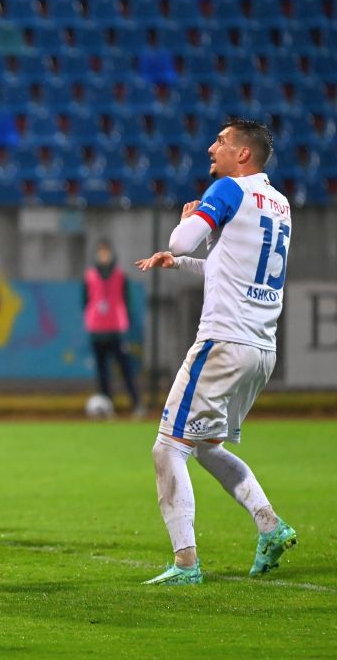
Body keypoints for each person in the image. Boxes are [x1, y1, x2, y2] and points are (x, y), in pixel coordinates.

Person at [134, 118, 296, 585]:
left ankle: (186, 563)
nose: (212, 148)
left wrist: (189, 223)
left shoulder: (229, 190)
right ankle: (270, 525)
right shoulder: (281, 204)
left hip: (223, 341)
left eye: (221, 142)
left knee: (167, 448)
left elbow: (178, 237)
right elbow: (234, 269)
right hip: (261, 348)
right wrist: (184, 260)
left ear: (243, 155)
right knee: (206, 446)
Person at [83, 239, 144, 416]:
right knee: (102, 372)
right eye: (100, 253)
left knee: (125, 368)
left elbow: (127, 302)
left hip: (116, 330)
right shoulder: (90, 277)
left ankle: (137, 404)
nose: (103, 256)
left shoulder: (120, 276)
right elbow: (85, 301)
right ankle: (107, 408)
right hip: (97, 331)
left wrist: (125, 324)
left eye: (106, 252)